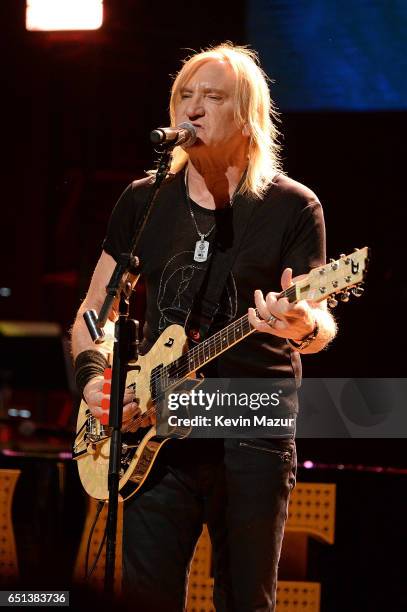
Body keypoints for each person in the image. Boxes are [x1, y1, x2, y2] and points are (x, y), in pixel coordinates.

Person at [71, 43, 336, 612]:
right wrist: (95, 376)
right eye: (184, 97)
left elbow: (318, 327)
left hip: (252, 428)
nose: (191, 109)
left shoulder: (293, 206)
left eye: (211, 97)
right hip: (155, 431)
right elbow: (95, 310)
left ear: (247, 114)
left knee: (245, 600)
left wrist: (300, 323)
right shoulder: (144, 201)